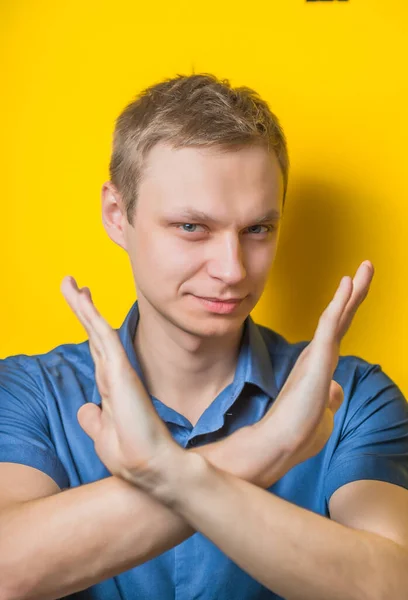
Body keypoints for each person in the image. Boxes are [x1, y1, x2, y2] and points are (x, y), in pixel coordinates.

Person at [0, 73, 407, 600]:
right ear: (117, 215)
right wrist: (265, 449)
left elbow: (392, 585)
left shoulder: (352, 396)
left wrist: (168, 471)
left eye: (257, 229)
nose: (232, 269)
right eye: (192, 228)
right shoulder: (29, 392)